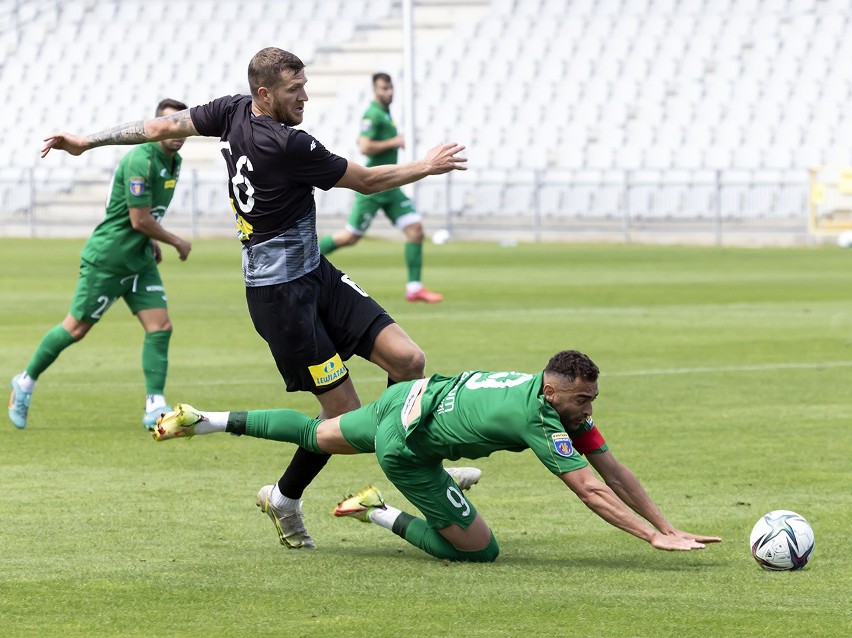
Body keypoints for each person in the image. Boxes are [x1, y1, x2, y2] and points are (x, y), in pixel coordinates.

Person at [40, 48, 466, 549]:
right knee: (343, 417)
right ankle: (286, 496)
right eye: (294, 89)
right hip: (280, 299)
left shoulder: (233, 109)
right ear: (266, 93)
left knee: (409, 359)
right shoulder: (288, 144)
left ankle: (414, 464)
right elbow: (369, 181)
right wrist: (428, 166)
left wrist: (87, 141)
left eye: (304, 84)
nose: (305, 95)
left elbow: (159, 128)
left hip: (315, 274)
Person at [151, 350, 722, 562]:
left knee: (314, 434)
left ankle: (206, 420)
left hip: (408, 397)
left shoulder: (554, 402)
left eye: (591, 399)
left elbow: (613, 470)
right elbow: (592, 490)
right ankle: (375, 507)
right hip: (407, 448)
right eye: (581, 399)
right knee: (480, 552)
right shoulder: (540, 417)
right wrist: (651, 539)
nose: (587, 409)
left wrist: (669, 525)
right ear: (552, 391)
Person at [9, 99, 191, 431]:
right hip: (109, 259)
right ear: (156, 127)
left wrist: (150, 241)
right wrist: (175, 240)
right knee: (75, 329)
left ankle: (154, 405)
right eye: (169, 125)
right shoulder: (141, 158)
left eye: (182, 126)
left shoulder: (174, 161)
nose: (176, 132)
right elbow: (138, 219)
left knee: (160, 327)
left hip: (139, 260)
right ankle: (25, 381)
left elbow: (138, 214)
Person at [318, 73, 443, 304]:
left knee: (415, 230)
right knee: (350, 237)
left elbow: (363, 140)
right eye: (384, 88)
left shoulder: (385, 114)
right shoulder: (373, 114)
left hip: (391, 187)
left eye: (390, 88)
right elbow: (365, 147)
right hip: (373, 186)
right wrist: (394, 142)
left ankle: (414, 289)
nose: (389, 92)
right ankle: (306, 257)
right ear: (375, 90)